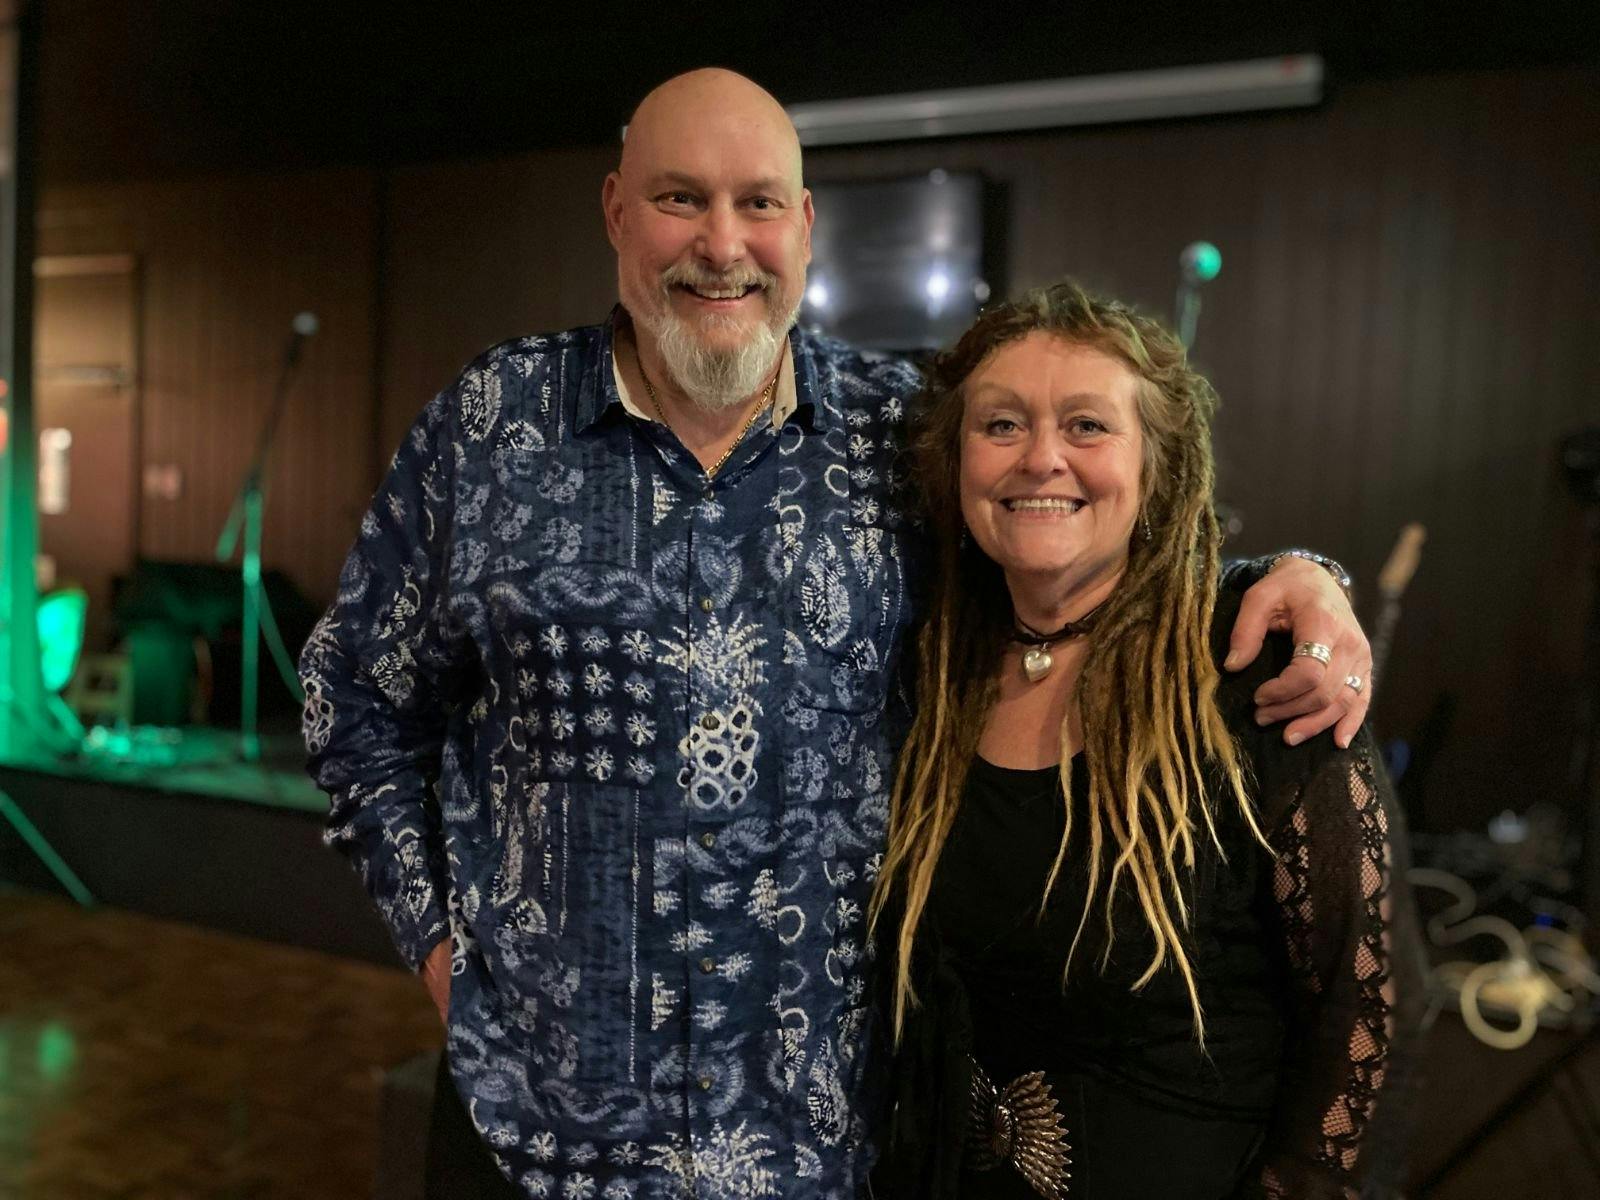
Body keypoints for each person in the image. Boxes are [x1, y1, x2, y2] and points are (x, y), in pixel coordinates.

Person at [299, 70, 1373, 1200]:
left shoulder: (898, 428)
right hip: (537, 1135)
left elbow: (1076, 549)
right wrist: (442, 957)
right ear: (617, 211)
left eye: (758, 203)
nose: (722, 244)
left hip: (822, 1150)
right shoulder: (489, 423)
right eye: (680, 199)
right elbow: (351, 704)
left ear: (805, 226)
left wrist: (1292, 578)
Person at [870, 281, 1421, 1199]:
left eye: (1087, 426)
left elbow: (1369, 1015)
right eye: (1002, 426)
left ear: (1159, 466)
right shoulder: (931, 672)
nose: (1041, 458)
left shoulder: (1258, 677)